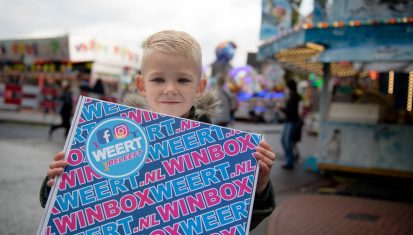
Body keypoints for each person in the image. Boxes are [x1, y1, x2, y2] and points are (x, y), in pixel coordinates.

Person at [39, 30, 276, 230]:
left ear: (199, 87)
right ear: (142, 85)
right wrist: (56, 183)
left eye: (183, 80)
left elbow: (237, 221)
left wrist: (259, 186)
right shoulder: (113, 133)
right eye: (158, 80)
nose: (170, 89)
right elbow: (73, 208)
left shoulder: (219, 148)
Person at [280, 79, 302, 169]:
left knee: (286, 141)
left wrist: (282, 109)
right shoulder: (293, 96)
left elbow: (291, 111)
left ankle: (290, 161)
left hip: (292, 121)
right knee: (285, 140)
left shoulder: (294, 97)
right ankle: (291, 157)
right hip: (290, 121)